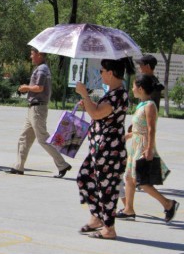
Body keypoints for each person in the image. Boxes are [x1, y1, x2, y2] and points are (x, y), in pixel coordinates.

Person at [75, 58, 133, 240]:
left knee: (107, 188)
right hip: (99, 149)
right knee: (84, 178)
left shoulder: (119, 94)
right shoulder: (112, 92)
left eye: (102, 70)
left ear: (111, 72)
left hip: (110, 150)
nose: (100, 74)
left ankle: (109, 228)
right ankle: (97, 217)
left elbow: (98, 113)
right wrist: (88, 103)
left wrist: (85, 95)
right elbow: (97, 112)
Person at [116, 74, 178, 223]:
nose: (132, 89)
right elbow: (140, 128)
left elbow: (151, 129)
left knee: (141, 181)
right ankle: (129, 210)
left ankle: (168, 204)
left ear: (141, 88)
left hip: (143, 147)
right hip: (136, 145)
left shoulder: (150, 105)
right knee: (129, 178)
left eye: (134, 87)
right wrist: (128, 136)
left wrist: (149, 149)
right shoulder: (141, 104)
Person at [7, 48, 72, 177]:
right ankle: (19, 166)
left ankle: (62, 164)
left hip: (38, 108)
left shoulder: (42, 69)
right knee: (24, 137)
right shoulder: (41, 68)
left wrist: (26, 87)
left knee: (43, 139)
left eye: (32, 54)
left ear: (39, 54)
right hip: (33, 108)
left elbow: (39, 87)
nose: (31, 56)